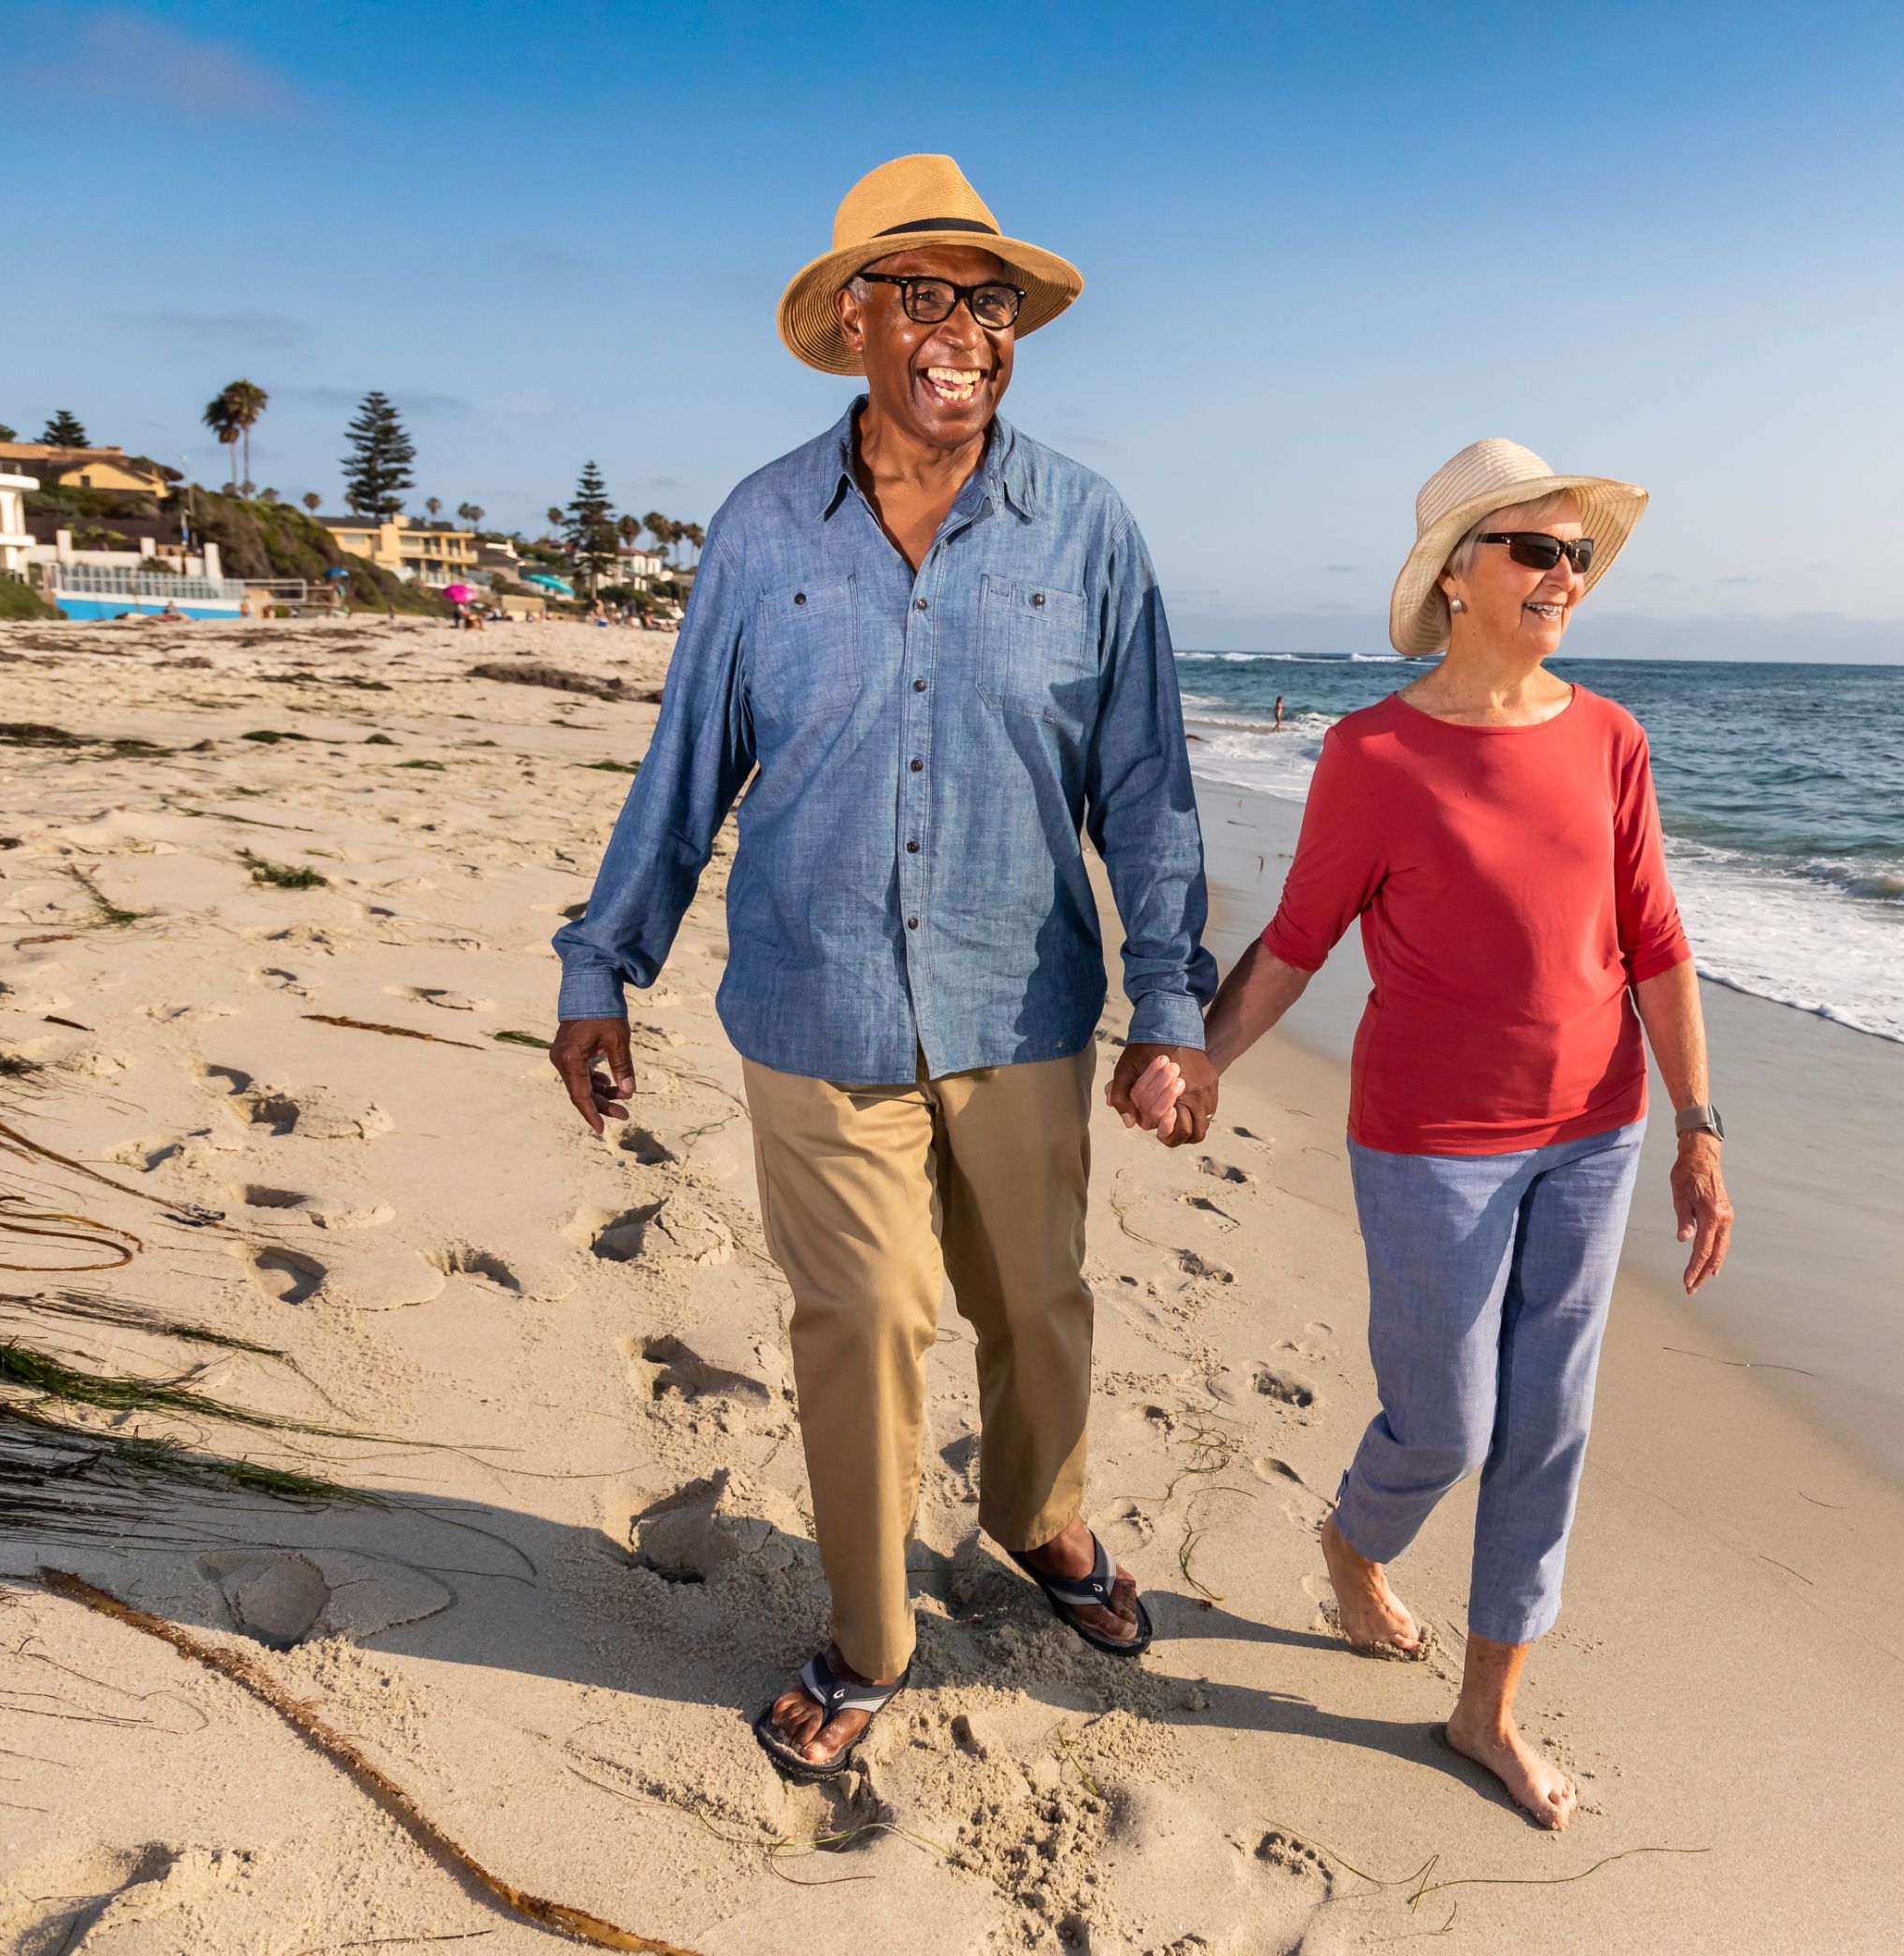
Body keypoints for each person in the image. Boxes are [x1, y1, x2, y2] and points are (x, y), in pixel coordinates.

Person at [550, 154, 1218, 1782]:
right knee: (861, 1315)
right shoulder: (764, 524)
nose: (962, 332)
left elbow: (1146, 788)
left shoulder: (1092, 529)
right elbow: (687, 765)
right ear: (856, 316)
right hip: (813, 1000)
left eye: (986, 303)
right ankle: (866, 1634)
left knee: (1036, 1304)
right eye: (922, 295)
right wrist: (600, 964)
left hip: (1026, 1002)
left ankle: (1041, 1516)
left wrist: (1172, 1009)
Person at [1130, 439, 1734, 1828]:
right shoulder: (1373, 753)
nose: (1563, 576)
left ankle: (1487, 1710)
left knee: (1550, 1428)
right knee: (1450, 1417)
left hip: (1595, 1131)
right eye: (1536, 549)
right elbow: (1296, 941)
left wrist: (1700, 1124)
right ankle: (1355, 1537)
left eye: (1577, 553)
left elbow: (1656, 942)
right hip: (1429, 1140)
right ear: (1459, 574)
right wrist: (1196, 1059)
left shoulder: (1610, 738)